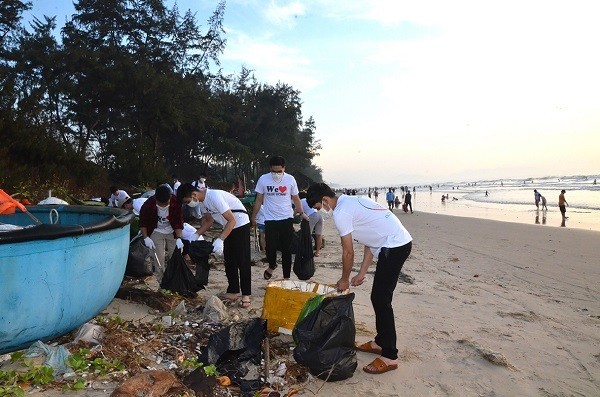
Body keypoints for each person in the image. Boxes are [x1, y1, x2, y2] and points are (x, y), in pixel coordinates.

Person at [306, 183, 412, 375]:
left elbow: (348, 252)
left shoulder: (341, 213)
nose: (320, 211)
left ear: (325, 200)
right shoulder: (353, 201)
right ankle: (380, 342)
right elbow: (369, 240)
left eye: (318, 207)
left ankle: (390, 356)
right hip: (393, 244)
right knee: (378, 297)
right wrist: (362, 272)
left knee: (382, 299)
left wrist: (344, 279)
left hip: (395, 246)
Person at [178, 183, 252, 308]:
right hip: (227, 226)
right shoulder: (201, 203)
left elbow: (232, 219)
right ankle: (233, 290)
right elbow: (209, 221)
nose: (188, 204)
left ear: (194, 194)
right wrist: (195, 235)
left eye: (187, 201)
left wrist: (221, 239)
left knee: (242, 260)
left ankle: (246, 294)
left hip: (240, 223)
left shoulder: (214, 196)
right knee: (229, 260)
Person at [251, 155, 307, 280]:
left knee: (286, 249)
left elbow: (296, 198)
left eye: (279, 171)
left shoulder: (290, 179)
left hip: (286, 218)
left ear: (284, 169)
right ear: (270, 169)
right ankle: (272, 265)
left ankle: (286, 277)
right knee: (270, 247)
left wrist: (302, 213)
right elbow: (259, 199)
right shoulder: (263, 179)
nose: (276, 174)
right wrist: (253, 217)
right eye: (274, 171)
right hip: (270, 219)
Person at [139, 185, 184, 283]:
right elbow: (143, 223)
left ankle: (174, 281)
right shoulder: (148, 205)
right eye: (160, 204)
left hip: (172, 231)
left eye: (166, 203)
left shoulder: (176, 203)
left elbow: (178, 222)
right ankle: (162, 282)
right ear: (155, 198)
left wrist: (179, 238)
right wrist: (146, 237)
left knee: (175, 256)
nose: (163, 206)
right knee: (158, 258)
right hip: (156, 231)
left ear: (170, 197)